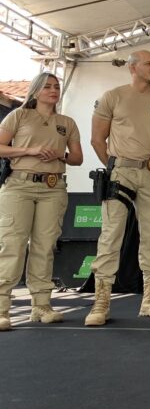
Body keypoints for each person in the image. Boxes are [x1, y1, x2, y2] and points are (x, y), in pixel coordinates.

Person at [85, 50, 150, 326]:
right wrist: (116, 165)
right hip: (120, 172)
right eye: (149, 63)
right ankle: (101, 303)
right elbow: (97, 139)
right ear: (133, 67)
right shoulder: (113, 96)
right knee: (111, 233)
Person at [0, 73, 83, 331]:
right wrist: (29, 150)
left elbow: (77, 158)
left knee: (44, 246)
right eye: (47, 86)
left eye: (56, 86)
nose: (53, 90)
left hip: (53, 187)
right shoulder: (19, 115)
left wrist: (63, 154)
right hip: (19, 186)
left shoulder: (66, 122)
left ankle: (42, 306)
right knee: (12, 244)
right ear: (35, 91)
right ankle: (2, 308)